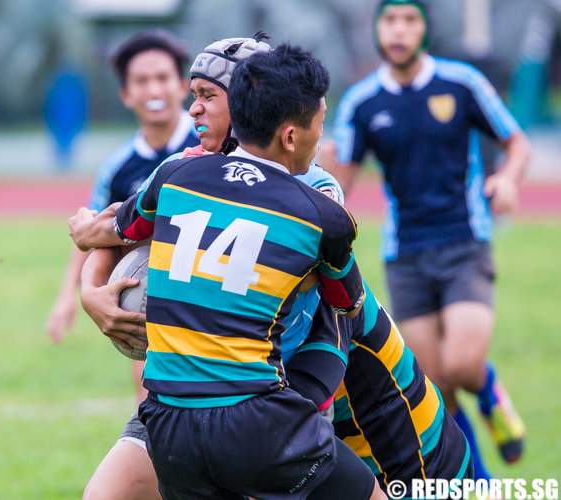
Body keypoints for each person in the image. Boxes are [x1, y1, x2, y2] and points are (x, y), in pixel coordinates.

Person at [82, 34, 469, 500]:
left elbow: (337, 317)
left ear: (249, 104)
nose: (194, 111)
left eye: (208, 96)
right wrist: (90, 293)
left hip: (282, 388)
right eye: (194, 96)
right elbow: (109, 231)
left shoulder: (315, 190)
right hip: (197, 399)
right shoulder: (184, 171)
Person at [325, 0, 532, 479]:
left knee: (462, 363)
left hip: (465, 243)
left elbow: (515, 142)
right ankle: (477, 477)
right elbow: (340, 188)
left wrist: (509, 181)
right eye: (390, 21)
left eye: (409, 20)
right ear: (378, 30)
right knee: (436, 382)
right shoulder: (363, 102)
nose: (399, 31)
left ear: (424, 29)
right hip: (406, 255)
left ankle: (491, 393)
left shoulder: (461, 84)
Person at [45, 31, 198, 401]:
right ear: (126, 95)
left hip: (211, 288)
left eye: (162, 77)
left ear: (182, 86)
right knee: (148, 392)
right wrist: (70, 295)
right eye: (141, 81)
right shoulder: (118, 168)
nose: (153, 89)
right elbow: (94, 232)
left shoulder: (209, 146)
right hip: (153, 296)